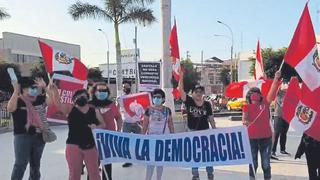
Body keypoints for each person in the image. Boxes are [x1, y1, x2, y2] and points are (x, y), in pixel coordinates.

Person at [50, 83, 105, 180]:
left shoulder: (94, 111)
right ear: (74, 99)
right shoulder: (70, 109)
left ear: (87, 97)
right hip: (73, 145)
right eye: (78, 96)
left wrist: (96, 127)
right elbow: (58, 104)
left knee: (94, 174)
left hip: (90, 146)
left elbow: (103, 125)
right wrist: (55, 91)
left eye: (83, 95)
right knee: (74, 175)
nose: (81, 98)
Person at [7, 77, 53, 180]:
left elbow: (52, 102)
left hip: (39, 136)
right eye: (32, 87)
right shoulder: (18, 100)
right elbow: (10, 108)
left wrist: (45, 87)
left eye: (36, 88)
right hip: (22, 136)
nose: (35, 90)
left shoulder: (40, 98)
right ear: (23, 89)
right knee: (20, 164)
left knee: (35, 165)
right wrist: (15, 91)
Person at [242, 70, 281, 180]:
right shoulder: (246, 107)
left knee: (266, 164)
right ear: (249, 97)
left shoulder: (265, 103)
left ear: (259, 96)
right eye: (252, 95)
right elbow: (244, 120)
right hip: (252, 139)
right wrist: (248, 122)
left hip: (265, 139)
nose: (254, 98)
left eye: (256, 95)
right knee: (253, 163)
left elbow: (272, 91)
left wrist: (276, 78)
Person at [179, 70, 216, 180]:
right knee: (194, 155)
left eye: (200, 91)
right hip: (192, 132)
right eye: (196, 91)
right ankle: (195, 175)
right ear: (192, 93)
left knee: (207, 154)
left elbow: (210, 118)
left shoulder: (207, 104)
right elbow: (180, 90)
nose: (199, 93)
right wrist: (181, 78)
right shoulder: (189, 101)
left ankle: (210, 174)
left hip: (205, 132)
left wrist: (215, 130)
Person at [89, 82, 123, 180]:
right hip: (93, 141)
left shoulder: (111, 105)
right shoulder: (89, 105)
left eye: (104, 91)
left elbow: (119, 118)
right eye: (100, 90)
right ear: (94, 92)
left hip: (108, 141)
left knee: (107, 168)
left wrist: (118, 131)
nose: (102, 92)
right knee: (93, 168)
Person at [142, 89, 174, 180]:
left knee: (160, 162)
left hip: (163, 140)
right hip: (151, 140)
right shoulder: (148, 110)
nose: (156, 99)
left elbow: (170, 124)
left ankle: (158, 178)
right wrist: (141, 137)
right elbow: (145, 125)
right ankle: (148, 178)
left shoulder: (167, 110)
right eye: (154, 97)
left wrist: (173, 137)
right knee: (151, 162)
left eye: (158, 97)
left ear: (163, 99)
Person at [117, 82, 142, 168]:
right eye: (124, 87)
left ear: (130, 87)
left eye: (127, 87)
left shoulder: (135, 97)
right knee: (126, 142)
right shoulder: (120, 98)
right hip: (126, 123)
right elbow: (117, 110)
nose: (125, 88)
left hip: (136, 123)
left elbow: (140, 108)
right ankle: (128, 160)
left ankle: (140, 156)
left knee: (140, 140)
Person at [271, 83, 290, 160]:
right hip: (278, 115)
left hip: (287, 116)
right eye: (284, 85)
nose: (286, 86)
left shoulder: (289, 94)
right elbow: (276, 87)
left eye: (287, 85)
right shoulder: (279, 93)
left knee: (284, 133)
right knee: (276, 133)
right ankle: (273, 151)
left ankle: (282, 149)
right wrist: (279, 82)